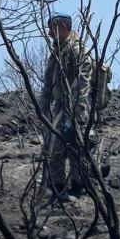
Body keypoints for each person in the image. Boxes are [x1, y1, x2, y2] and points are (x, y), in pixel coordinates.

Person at [38, 11, 94, 203]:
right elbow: (48, 82)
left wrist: (78, 108)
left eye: (53, 28)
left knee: (76, 147)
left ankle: (79, 187)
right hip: (59, 108)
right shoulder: (56, 52)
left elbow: (84, 80)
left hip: (77, 108)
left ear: (64, 28)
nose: (49, 33)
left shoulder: (79, 50)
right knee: (54, 148)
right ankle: (58, 189)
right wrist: (43, 107)